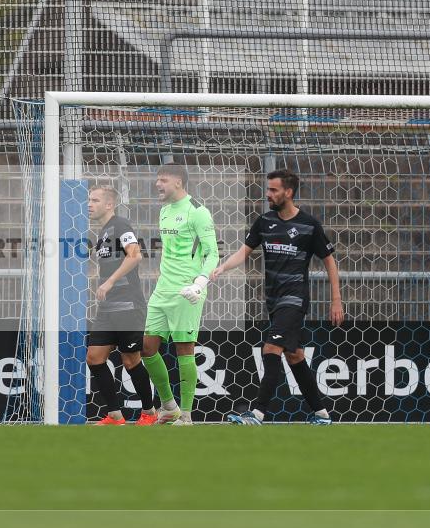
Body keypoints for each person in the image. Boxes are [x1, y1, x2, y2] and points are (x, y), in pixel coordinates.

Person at [211, 169, 343, 425]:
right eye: (268, 188)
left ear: (288, 192)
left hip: (294, 299)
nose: (268, 194)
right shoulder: (264, 222)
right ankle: (322, 414)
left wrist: (336, 300)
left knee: (271, 348)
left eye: (273, 189)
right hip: (273, 299)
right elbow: (244, 252)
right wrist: (222, 267)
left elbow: (329, 260)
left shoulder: (308, 225)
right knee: (294, 356)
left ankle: (257, 413)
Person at [141, 164, 219, 425]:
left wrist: (199, 282)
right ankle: (169, 406)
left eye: (163, 180)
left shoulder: (197, 211)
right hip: (163, 290)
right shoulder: (164, 211)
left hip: (188, 290)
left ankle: (186, 414)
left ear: (179, 182)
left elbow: (212, 252)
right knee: (147, 348)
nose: (158, 184)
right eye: (157, 180)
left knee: (184, 349)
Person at [86, 185, 157, 425]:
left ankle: (149, 411)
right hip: (108, 307)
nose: (89, 204)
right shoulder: (104, 232)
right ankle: (115, 415)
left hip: (128, 305)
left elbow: (135, 255)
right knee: (95, 358)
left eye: (95, 200)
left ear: (109, 204)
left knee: (130, 360)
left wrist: (109, 282)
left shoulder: (121, 225)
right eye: (89, 200)